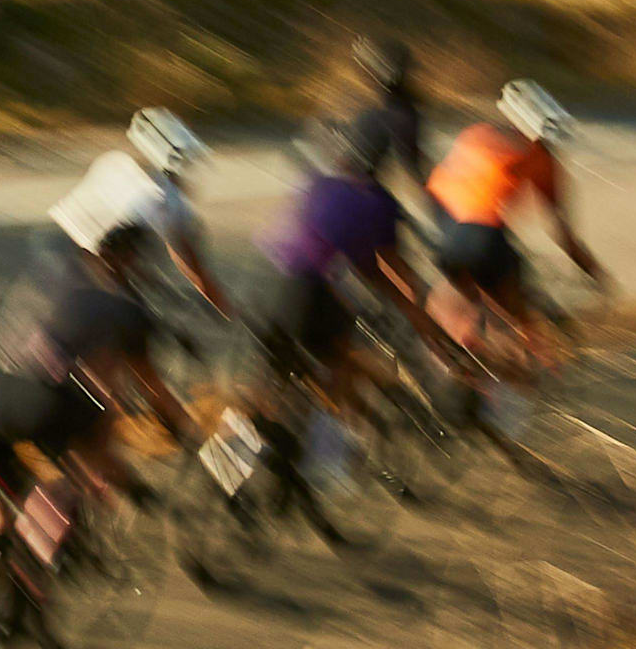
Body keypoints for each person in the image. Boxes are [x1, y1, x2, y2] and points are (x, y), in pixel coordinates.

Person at [0, 219, 194, 559]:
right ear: (132, 262)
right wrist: (181, 430)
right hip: (42, 404)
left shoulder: (61, 282)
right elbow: (152, 389)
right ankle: (132, 500)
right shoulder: (127, 312)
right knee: (90, 436)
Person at [247, 117, 426, 483]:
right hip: (304, 288)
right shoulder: (374, 201)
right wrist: (413, 304)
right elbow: (380, 270)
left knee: (270, 385)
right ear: (381, 159)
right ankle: (327, 458)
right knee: (340, 362)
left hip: (261, 283)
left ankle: (230, 470)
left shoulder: (317, 183)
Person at [423, 80, 612, 383]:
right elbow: (563, 234)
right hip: (488, 240)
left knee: (461, 302)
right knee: (517, 320)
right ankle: (535, 379)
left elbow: (437, 196)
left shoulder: (474, 135)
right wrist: (594, 273)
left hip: (449, 239)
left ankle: (453, 365)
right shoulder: (542, 157)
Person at [48, 107, 231, 325]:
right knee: (132, 333)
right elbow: (192, 266)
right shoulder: (167, 198)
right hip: (91, 269)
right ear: (174, 163)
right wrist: (228, 312)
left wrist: (160, 291)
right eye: (188, 164)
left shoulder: (115, 163)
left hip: (56, 250)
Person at [337, 36, 432, 206]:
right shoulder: (401, 114)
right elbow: (412, 166)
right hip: (360, 188)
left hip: (349, 185)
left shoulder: (382, 111)